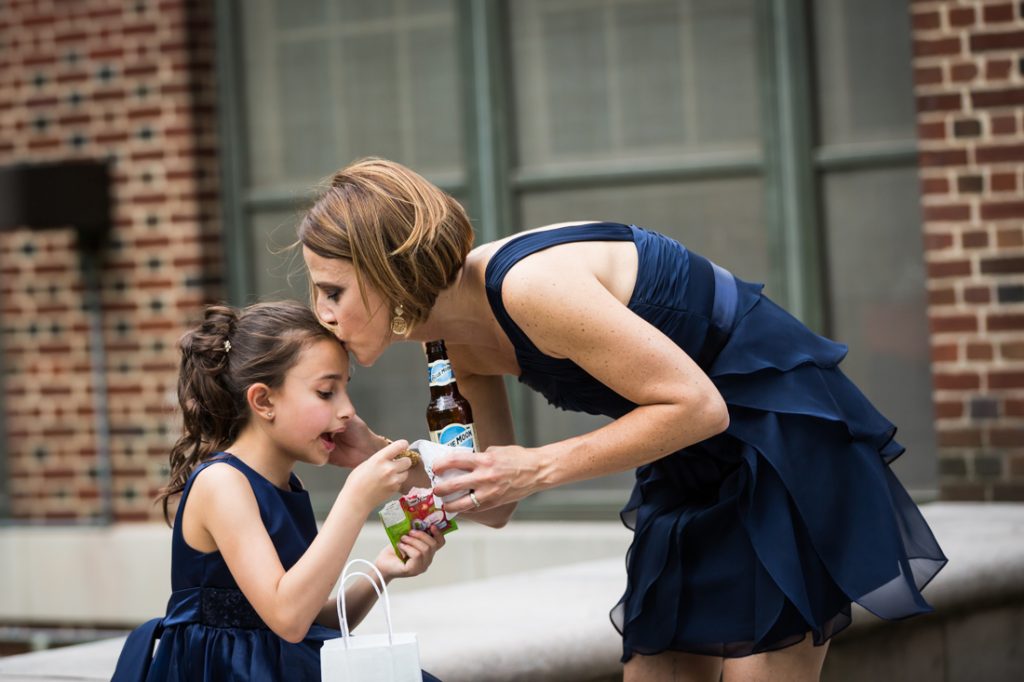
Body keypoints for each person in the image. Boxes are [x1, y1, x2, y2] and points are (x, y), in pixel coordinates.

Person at [297, 157, 947, 682]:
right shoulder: (448, 347)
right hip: (688, 460)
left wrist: (540, 467)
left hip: (778, 436)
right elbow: (493, 504)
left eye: (333, 291)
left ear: (390, 273)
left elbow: (699, 404)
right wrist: (380, 455)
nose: (320, 313)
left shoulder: (528, 285)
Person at [112, 301, 444, 682]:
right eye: (325, 392)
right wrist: (355, 499)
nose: (349, 410)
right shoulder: (222, 483)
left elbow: (305, 620)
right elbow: (287, 618)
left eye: (344, 390)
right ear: (264, 401)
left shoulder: (287, 485)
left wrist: (382, 572)